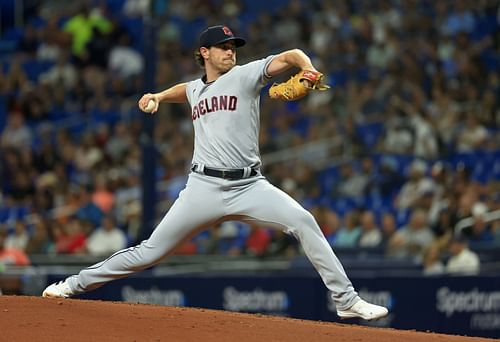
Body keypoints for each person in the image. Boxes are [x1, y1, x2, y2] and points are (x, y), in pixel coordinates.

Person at [42, 25, 388, 320]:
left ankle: (346, 301)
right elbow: (186, 91)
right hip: (202, 188)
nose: (230, 51)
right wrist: (160, 96)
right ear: (204, 52)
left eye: (233, 46)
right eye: (223, 47)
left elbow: (292, 55)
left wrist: (308, 69)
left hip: (250, 185)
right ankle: (73, 285)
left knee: (303, 221)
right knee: (149, 252)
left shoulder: (246, 75)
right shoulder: (195, 88)